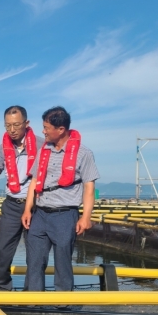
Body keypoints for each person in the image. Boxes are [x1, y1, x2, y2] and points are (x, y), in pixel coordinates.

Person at [21, 106, 99, 291]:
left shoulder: (83, 153)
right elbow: (34, 181)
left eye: (47, 127)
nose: (43, 131)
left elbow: (89, 187)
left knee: (63, 262)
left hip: (65, 215)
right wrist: (27, 210)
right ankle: (34, 302)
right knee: (35, 260)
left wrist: (85, 217)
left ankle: (63, 305)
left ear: (61, 129)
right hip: (40, 213)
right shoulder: (44, 150)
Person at [0, 105, 44, 291]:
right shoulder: (2, 148)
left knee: (35, 252)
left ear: (26, 123)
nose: (12, 130)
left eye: (16, 125)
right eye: (7, 126)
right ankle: (4, 289)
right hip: (12, 205)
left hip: (37, 206)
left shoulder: (41, 145)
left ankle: (32, 293)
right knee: (4, 250)